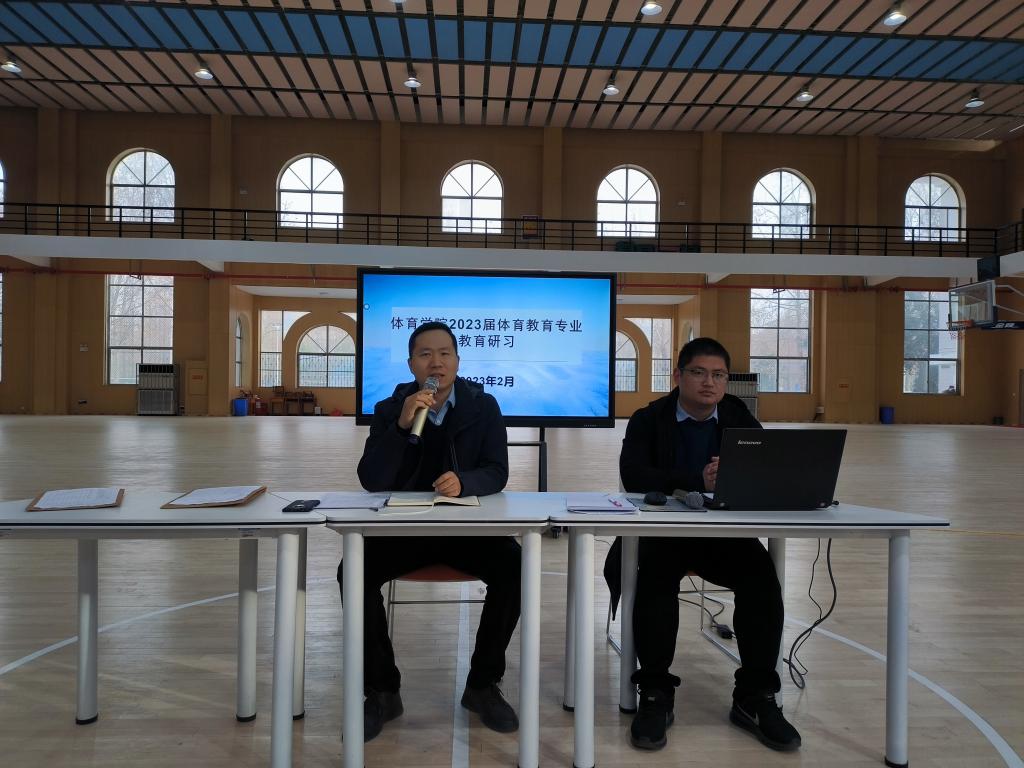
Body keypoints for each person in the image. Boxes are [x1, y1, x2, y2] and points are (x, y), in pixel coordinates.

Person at [609, 336, 801, 753]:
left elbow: (766, 467)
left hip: (722, 535)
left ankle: (754, 695)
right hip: (665, 534)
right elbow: (634, 476)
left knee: (762, 579)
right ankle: (655, 691)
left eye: (718, 375)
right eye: (698, 373)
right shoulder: (649, 418)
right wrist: (697, 479)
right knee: (654, 579)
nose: (708, 383)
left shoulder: (737, 416)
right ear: (678, 376)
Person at [341, 321, 521, 742]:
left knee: (516, 567)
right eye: (425, 354)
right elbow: (372, 479)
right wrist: (401, 427)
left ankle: (482, 685)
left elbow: (497, 471)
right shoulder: (390, 409)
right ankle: (382, 690)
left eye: (444, 354)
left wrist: (465, 482)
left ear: (457, 361)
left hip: (467, 531)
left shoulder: (483, 406)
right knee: (352, 572)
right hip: (405, 532)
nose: (435, 363)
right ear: (411, 364)